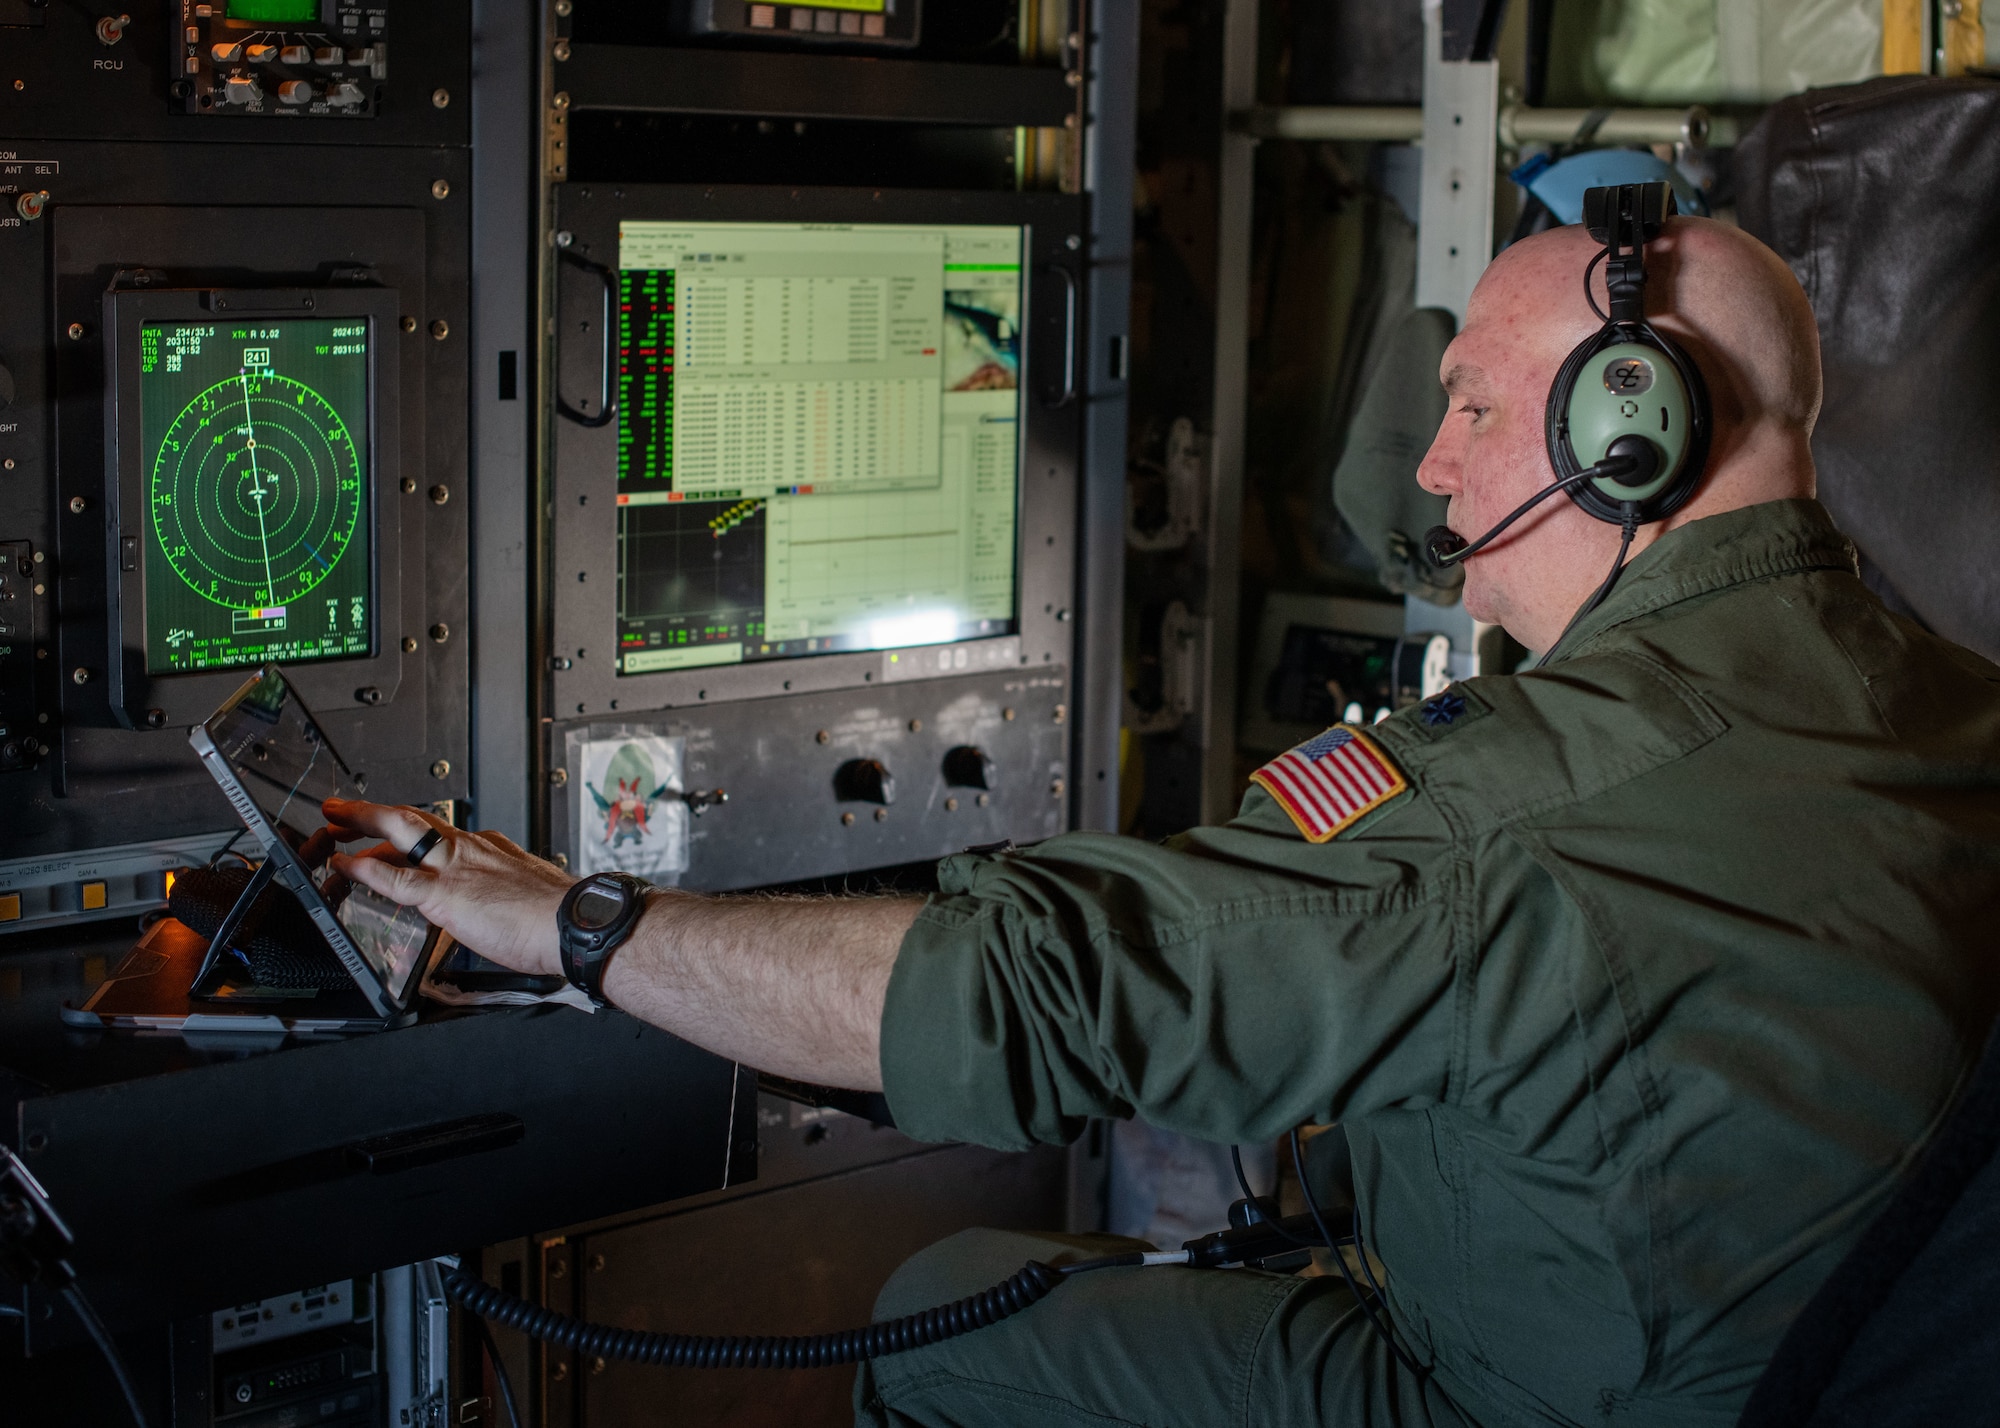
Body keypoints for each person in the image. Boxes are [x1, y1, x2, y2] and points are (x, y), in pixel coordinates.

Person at [324, 217, 2000, 1427]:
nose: (1430, 470)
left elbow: (1021, 994)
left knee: (936, 1324)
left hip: (1547, 1397)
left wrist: (574, 923)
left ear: (1628, 432)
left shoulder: (1523, 804)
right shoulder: (1945, 696)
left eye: (1477, 407)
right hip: (1790, 1360)